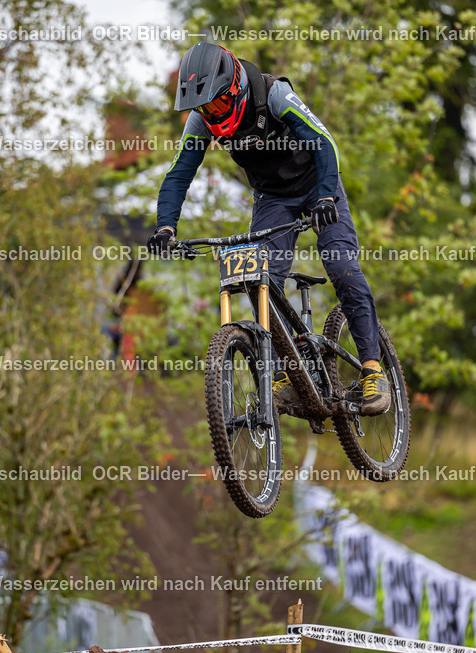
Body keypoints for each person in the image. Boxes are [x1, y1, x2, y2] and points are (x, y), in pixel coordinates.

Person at [147, 43, 390, 415]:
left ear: (232, 90)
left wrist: (326, 198)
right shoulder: (202, 121)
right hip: (273, 199)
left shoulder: (274, 94)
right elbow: (179, 174)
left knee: (341, 266)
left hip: (318, 185)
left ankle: (374, 368)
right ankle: (285, 375)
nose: (208, 114)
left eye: (213, 105)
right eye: (202, 108)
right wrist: (165, 227)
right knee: (260, 283)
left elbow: (324, 143)